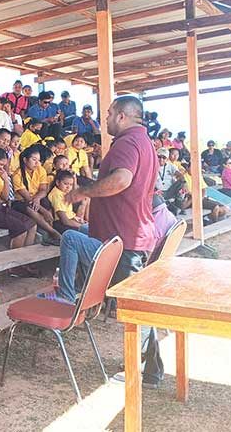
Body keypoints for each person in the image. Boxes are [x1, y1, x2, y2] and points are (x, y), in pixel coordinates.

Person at [48, 96, 164, 388]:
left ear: (123, 116)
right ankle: (150, 369)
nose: (107, 118)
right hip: (122, 233)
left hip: (124, 239)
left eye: (110, 113)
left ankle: (143, 373)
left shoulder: (127, 143)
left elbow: (122, 180)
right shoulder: (144, 141)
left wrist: (83, 192)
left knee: (134, 311)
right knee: (75, 237)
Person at [12, 145, 60, 245]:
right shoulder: (17, 175)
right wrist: (44, 211)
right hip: (21, 202)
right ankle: (53, 232)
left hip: (37, 198)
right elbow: (27, 198)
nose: (37, 163)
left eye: (38, 160)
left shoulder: (40, 170)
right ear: (25, 160)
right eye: (34, 160)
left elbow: (43, 190)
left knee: (48, 202)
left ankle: (49, 233)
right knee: (31, 208)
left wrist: (37, 198)